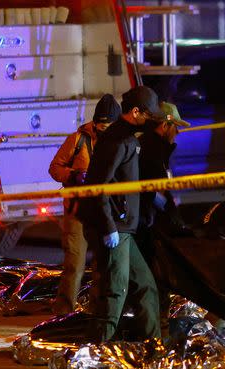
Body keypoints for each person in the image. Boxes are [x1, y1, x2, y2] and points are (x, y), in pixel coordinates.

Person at [77, 86, 164, 342]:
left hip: (123, 228)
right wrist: (108, 227)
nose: (153, 120)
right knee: (116, 289)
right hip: (116, 228)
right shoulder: (119, 142)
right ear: (136, 112)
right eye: (149, 115)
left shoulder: (126, 139)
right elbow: (98, 186)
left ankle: (154, 346)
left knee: (145, 286)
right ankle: (97, 351)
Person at [48, 94, 121, 315]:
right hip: (77, 211)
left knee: (102, 267)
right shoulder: (77, 139)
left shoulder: (120, 141)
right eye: (99, 125)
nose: (102, 130)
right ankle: (63, 314)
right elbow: (54, 168)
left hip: (103, 212)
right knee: (74, 264)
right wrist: (73, 175)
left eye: (107, 126)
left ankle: (95, 314)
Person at [135, 101, 189, 337]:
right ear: (165, 124)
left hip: (151, 222)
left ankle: (157, 331)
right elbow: (150, 191)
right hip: (148, 225)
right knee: (155, 281)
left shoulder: (157, 148)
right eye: (175, 126)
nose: (177, 132)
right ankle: (156, 335)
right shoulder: (151, 149)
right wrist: (169, 210)